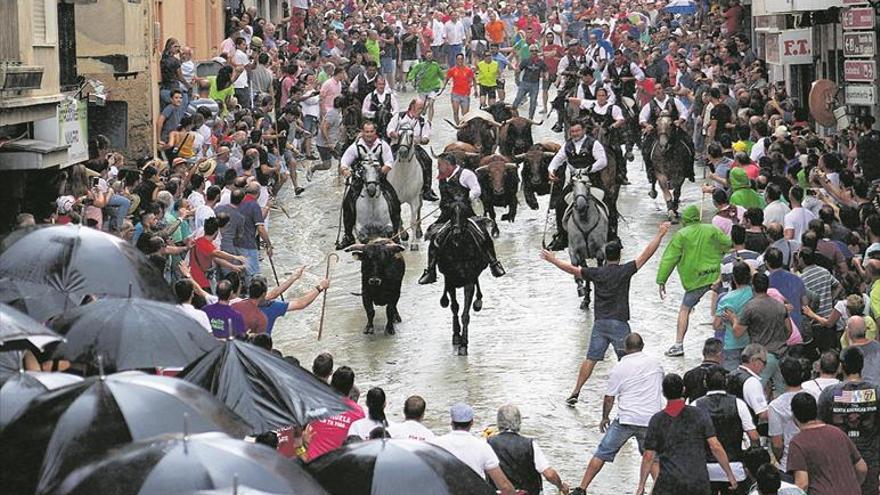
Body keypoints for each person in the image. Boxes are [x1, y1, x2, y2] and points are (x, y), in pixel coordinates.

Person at [540, 222, 669, 404]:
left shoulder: (596, 273)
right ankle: (636, 394)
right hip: (620, 324)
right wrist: (660, 234)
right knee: (630, 360)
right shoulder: (625, 271)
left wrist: (552, 259)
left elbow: (572, 269)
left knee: (590, 359)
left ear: (605, 256)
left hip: (600, 324)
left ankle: (576, 391)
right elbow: (646, 254)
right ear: (620, 255)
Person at [569, 334, 664, 494]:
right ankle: (663, 489)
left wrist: (605, 417)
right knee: (653, 458)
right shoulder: (656, 364)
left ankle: (582, 488)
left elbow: (609, 398)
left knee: (602, 452)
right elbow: (663, 386)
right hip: (650, 420)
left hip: (626, 419)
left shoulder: (620, 367)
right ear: (642, 346)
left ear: (625, 348)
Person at [634, 373, 738, 495]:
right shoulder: (699, 414)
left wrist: (641, 485)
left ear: (663, 393)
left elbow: (648, 456)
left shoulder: (657, 420)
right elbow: (715, 447)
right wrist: (729, 474)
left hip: (669, 483)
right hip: (697, 482)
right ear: (683, 390)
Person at [657, 204, 733, 357]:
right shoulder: (711, 229)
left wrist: (661, 280)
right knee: (726, 307)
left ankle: (678, 345)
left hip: (695, 281)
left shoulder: (681, 235)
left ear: (685, 219)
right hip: (716, 277)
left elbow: (670, 258)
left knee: (685, 309)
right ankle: (728, 344)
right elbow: (728, 244)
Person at [417, 153, 505, 284]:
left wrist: (467, 197)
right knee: (434, 236)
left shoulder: (466, 174)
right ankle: (430, 271)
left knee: (483, 234)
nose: (437, 168)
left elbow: (476, 189)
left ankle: (494, 263)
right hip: (447, 213)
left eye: (439, 165)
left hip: (465, 212)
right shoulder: (442, 177)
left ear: (448, 165)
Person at [817, 346, 880, 495]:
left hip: (838, 458)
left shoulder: (829, 394)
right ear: (862, 365)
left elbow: (820, 427)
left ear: (842, 365)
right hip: (870, 457)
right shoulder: (876, 392)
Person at [335, 121, 401, 249]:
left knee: (395, 201)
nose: (369, 135)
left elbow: (389, 161)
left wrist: (383, 169)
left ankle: (396, 233)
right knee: (347, 204)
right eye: (367, 132)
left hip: (379, 180)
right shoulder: (356, 146)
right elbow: (345, 161)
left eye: (371, 132)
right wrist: (345, 170)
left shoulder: (383, 145)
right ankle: (348, 235)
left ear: (375, 132)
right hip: (360, 181)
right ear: (363, 132)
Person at [787, 392, 868, 495]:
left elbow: (802, 484)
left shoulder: (797, 443)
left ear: (794, 415)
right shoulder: (838, 433)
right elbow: (862, 468)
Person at [693, 369, 760, 493]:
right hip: (735, 468)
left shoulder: (695, 405)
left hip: (705, 469)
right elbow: (754, 437)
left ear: (705, 383)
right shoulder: (738, 404)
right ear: (726, 382)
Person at [545, 121, 609, 250]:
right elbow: (556, 160)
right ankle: (562, 236)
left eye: (577, 131)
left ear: (583, 130)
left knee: (610, 200)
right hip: (574, 182)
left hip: (593, 181)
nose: (575, 134)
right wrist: (551, 170)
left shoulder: (594, 144)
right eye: (572, 131)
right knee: (559, 204)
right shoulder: (567, 146)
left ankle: (612, 235)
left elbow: (603, 161)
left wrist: (589, 169)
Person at [429, 403, 517, 495]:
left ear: (451, 422)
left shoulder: (435, 444)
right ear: (472, 423)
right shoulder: (482, 447)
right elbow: (504, 486)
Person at [726, 273, 792, 395]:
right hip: (782, 355)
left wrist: (733, 318)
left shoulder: (750, 307)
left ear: (753, 287)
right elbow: (789, 330)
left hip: (762, 358)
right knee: (782, 393)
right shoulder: (780, 305)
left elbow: (737, 332)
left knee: (755, 394)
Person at [486, 404, 569, 495]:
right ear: (519, 422)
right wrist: (561, 486)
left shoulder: (488, 443)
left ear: (498, 423)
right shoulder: (530, 445)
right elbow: (549, 474)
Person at [306, 366, 366, 460]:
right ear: (350, 388)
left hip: (314, 463)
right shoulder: (358, 412)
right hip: (340, 466)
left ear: (331, 384)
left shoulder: (315, 404)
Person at [387, 97, 439, 201]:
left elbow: (426, 137)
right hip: (398, 145)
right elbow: (389, 130)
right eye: (420, 108)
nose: (422, 111)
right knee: (386, 160)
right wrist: (398, 135)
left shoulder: (422, 121)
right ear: (412, 107)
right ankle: (384, 186)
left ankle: (426, 189)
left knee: (428, 161)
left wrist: (421, 140)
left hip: (414, 147)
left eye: (422, 108)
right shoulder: (399, 116)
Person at [768, 358, 807, 479]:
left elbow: (777, 443)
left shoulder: (775, 406)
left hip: (788, 463)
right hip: (813, 461)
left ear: (782, 377)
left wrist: (781, 459)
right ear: (802, 373)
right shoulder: (814, 396)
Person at [683, 338, 729, 403]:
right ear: (720, 354)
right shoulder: (726, 375)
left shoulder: (690, 375)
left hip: (696, 411)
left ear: (703, 353)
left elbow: (681, 401)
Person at [407, 50, 444, 123]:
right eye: (428, 56)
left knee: (431, 103)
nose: (430, 57)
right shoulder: (420, 66)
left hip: (434, 87)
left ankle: (429, 122)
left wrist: (444, 84)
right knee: (420, 106)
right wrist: (411, 80)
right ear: (425, 56)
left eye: (431, 56)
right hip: (422, 88)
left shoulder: (435, 65)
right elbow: (412, 73)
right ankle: (419, 120)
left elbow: (442, 76)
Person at [512, 44, 547, 120]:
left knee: (533, 102)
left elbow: (545, 70)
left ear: (537, 51)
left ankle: (530, 118)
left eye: (535, 51)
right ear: (529, 52)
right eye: (532, 51)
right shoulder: (526, 60)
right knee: (518, 98)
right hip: (525, 83)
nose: (534, 52)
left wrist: (546, 76)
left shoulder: (541, 62)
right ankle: (512, 114)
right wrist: (516, 78)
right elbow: (519, 69)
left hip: (535, 84)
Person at [442, 53, 476, 124]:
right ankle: (458, 125)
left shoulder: (468, 70)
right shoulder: (452, 70)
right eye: (458, 59)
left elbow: (473, 79)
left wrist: (475, 90)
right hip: (455, 94)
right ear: (456, 60)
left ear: (463, 60)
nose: (460, 61)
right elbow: (446, 78)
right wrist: (443, 87)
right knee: (455, 112)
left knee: (465, 114)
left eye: (461, 59)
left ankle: (464, 126)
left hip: (465, 94)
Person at [845, 316, 880, 384]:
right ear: (866, 329)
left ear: (848, 331)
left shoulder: (848, 354)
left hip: (858, 391)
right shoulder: (877, 346)